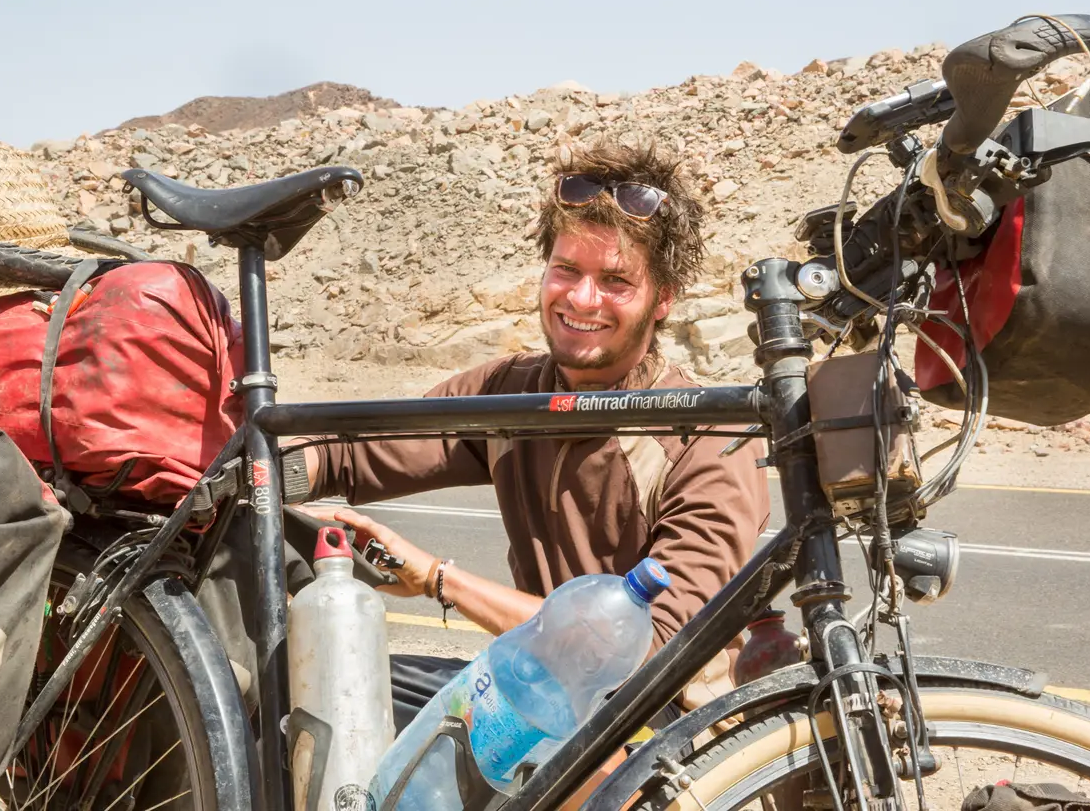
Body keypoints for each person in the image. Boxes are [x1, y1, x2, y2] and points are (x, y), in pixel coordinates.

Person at [287, 136, 772, 745]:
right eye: (567, 270)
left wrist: (438, 578)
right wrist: (254, 474)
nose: (582, 298)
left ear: (663, 300)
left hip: (659, 728)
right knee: (318, 691)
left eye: (616, 280)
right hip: (535, 696)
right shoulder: (510, 393)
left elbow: (645, 649)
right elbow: (349, 452)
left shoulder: (704, 436)